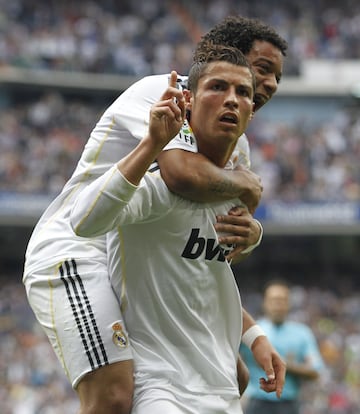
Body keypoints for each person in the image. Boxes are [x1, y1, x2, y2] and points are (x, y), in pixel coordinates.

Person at [23, 15, 287, 414]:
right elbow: (180, 174)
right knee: (112, 395)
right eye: (263, 69)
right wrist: (247, 187)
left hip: (133, 254)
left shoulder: (238, 148)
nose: (269, 85)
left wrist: (252, 237)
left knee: (232, 376)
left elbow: (205, 254)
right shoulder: (164, 92)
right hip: (77, 249)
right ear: (224, 56)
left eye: (275, 78)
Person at [240, 279, 325, 414]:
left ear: (289, 304)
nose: (277, 305)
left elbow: (315, 371)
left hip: (288, 404)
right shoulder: (253, 332)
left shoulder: (302, 333)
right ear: (265, 303)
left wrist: (285, 366)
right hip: (257, 402)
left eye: (282, 300)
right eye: (273, 300)